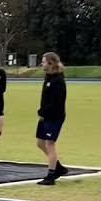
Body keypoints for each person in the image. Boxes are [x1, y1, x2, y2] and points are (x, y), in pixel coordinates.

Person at [34, 52, 69, 185]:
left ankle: (51, 175)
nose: (41, 64)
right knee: (40, 143)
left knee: (50, 144)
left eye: (43, 62)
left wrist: (44, 112)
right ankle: (59, 167)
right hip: (45, 115)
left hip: (54, 117)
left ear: (51, 63)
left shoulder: (58, 81)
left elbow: (56, 102)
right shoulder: (48, 77)